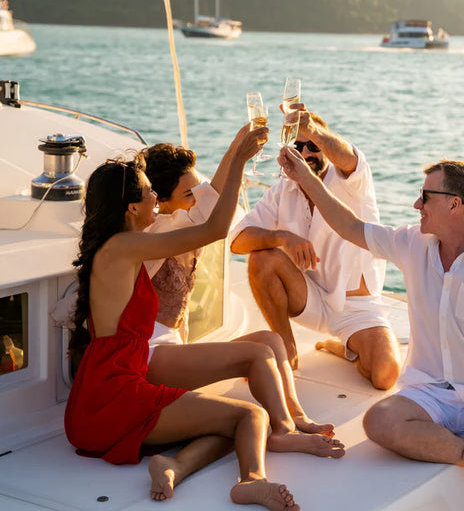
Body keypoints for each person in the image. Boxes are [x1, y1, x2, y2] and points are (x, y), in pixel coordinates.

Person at [277, 149, 464, 511]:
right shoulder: (412, 243)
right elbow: (349, 226)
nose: (417, 204)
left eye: (426, 196)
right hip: (427, 394)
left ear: (454, 204)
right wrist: (305, 177)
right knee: (379, 420)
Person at [64, 123, 301, 511]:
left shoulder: (123, 247)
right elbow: (215, 228)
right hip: (115, 399)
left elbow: (204, 213)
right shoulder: (125, 247)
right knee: (252, 416)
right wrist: (240, 161)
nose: (155, 197)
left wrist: (234, 154)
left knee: (227, 423)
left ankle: (173, 465)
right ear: (131, 208)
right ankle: (252, 481)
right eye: (149, 192)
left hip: (104, 399)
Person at [137, 132, 344, 456]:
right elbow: (216, 214)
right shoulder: (158, 232)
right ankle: (282, 432)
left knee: (270, 341)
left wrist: (239, 142)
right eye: (189, 194)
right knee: (257, 354)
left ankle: (297, 417)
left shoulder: (182, 219)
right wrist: (239, 159)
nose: (198, 198)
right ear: (160, 201)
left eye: (197, 190)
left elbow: (212, 194)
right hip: (150, 353)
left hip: (174, 349)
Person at [230, 107, 400, 390]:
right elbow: (237, 240)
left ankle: (344, 348)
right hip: (309, 298)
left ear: (325, 147)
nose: (306, 153)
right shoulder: (283, 190)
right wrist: (282, 237)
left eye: (313, 146)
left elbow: (348, 157)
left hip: (356, 307)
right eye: (298, 147)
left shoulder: (351, 180)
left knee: (385, 375)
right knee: (262, 257)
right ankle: (287, 349)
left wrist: (313, 131)